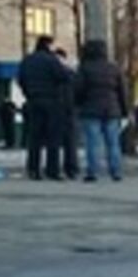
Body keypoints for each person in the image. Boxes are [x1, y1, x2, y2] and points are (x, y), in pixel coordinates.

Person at [74, 39, 129, 183]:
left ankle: (92, 172)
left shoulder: (84, 68)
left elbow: (78, 89)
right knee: (113, 143)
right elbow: (122, 91)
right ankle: (116, 171)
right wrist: (124, 111)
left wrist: (78, 104)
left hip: (90, 109)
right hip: (112, 109)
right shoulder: (114, 68)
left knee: (92, 143)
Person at [17, 35, 69, 180]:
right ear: (48, 45)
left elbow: (21, 79)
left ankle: (33, 169)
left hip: (34, 101)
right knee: (53, 137)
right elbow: (63, 77)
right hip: (52, 101)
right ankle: (52, 170)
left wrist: (28, 93)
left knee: (35, 137)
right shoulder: (51, 60)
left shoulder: (28, 60)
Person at [54, 47, 80, 179]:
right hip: (70, 108)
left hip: (59, 108)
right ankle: (71, 168)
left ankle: (58, 168)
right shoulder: (71, 73)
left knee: (58, 140)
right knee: (70, 141)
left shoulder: (54, 74)